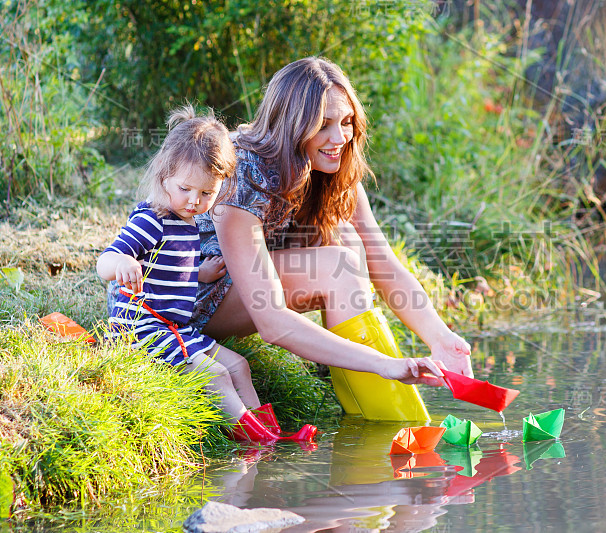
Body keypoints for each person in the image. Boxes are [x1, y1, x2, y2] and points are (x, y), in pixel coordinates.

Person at [191, 57, 472, 420]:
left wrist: (440, 337)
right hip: (185, 298)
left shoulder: (331, 166)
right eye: (323, 125)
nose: (339, 138)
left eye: (346, 122)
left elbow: (382, 260)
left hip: (239, 282)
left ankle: (368, 413)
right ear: (291, 125)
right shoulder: (242, 174)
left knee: (350, 243)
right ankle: (394, 420)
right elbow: (273, 324)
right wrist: (384, 363)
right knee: (336, 268)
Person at [97, 105, 306, 443]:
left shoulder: (187, 220)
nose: (194, 201)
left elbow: (169, 269)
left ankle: (270, 430)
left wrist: (200, 274)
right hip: (144, 331)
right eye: (186, 189)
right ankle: (257, 441)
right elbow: (106, 260)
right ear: (164, 174)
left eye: (206, 193)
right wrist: (121, 264)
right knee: (219, 375)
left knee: (239, 366)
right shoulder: (153, 218)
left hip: (177, 328)